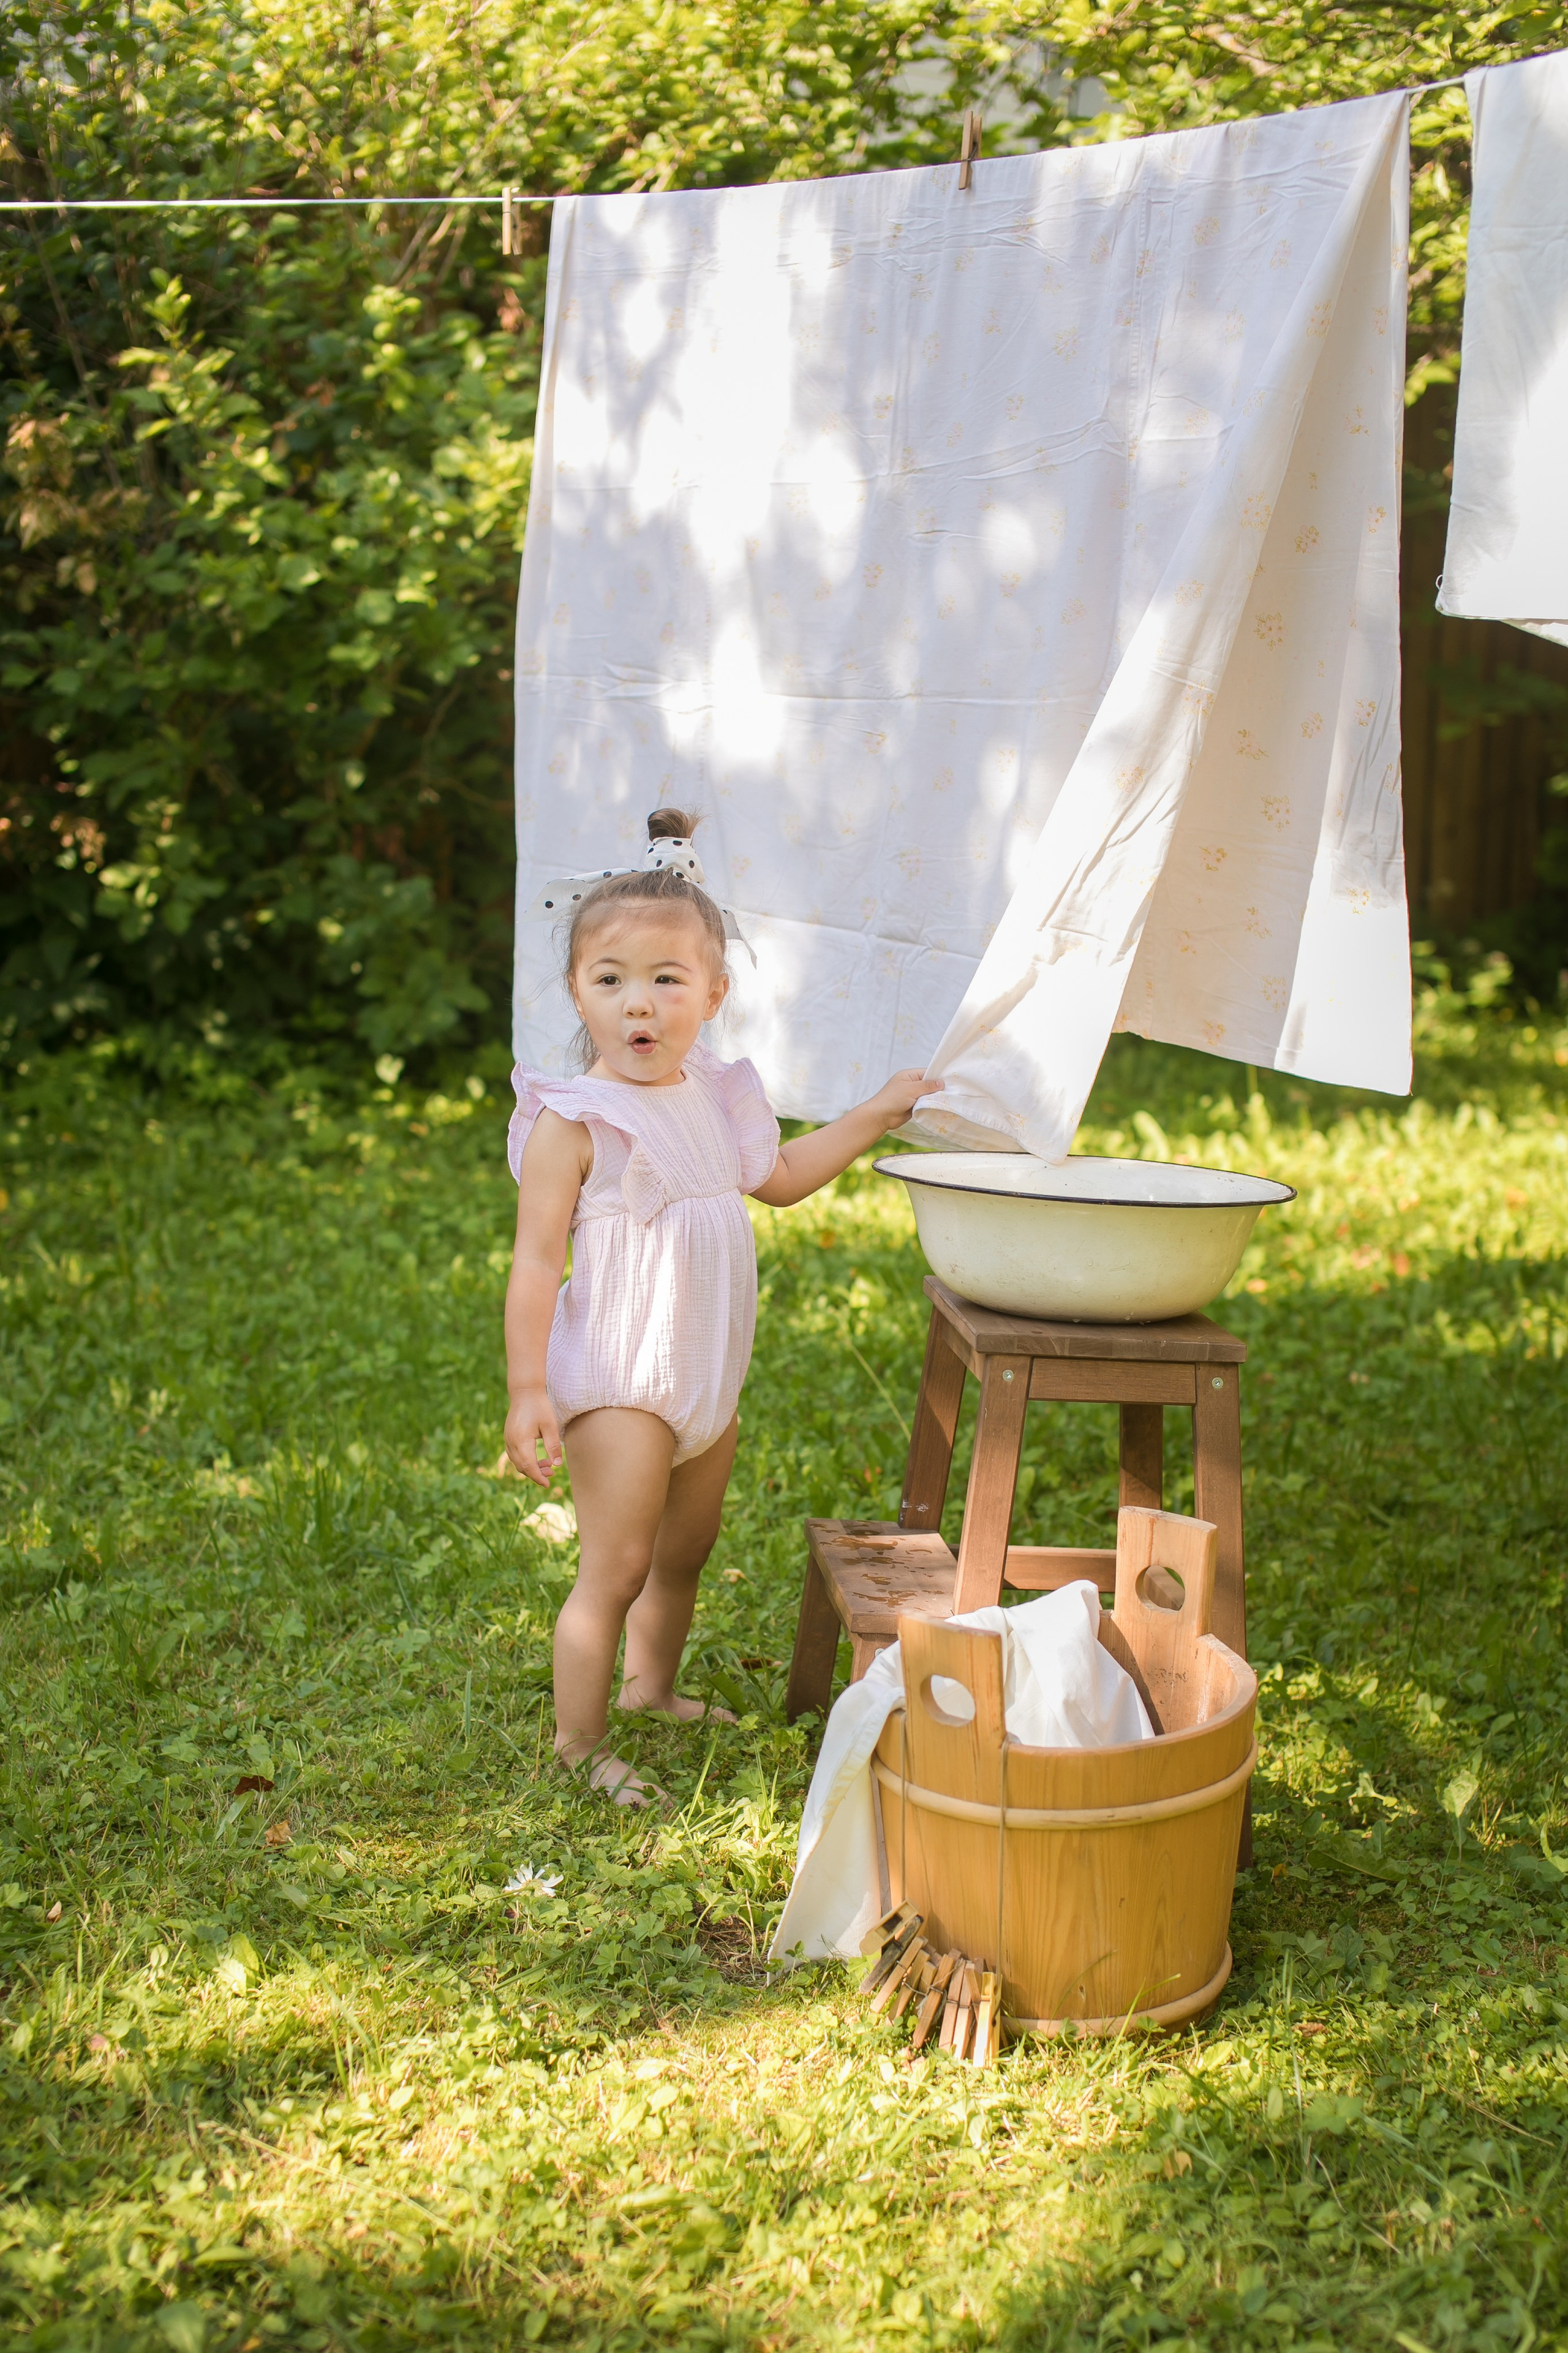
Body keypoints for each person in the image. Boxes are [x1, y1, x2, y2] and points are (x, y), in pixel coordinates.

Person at [504, 807, 938, 1807]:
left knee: (684, 1554)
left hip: (704, 1376)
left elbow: (779, 1176)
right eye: (609, 981)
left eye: (666, 979)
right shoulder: (577, 1121)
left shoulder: (709, 1091)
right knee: (613, 1567)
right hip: (623, 1381)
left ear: (713, 992)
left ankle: (651, 1688)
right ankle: (580, 1740)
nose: (638, 1004)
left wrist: (872, 1114)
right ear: (579, 991)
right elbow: (534, 1264)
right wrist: (528, 1385)